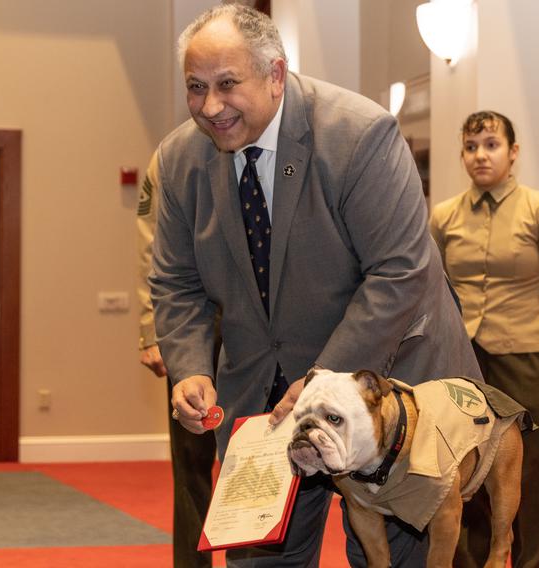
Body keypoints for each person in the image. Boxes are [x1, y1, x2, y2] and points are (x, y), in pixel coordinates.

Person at [149, 4, 482, 567]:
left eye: (228, 85)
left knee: (395, 560)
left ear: (275, 74)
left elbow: (399, 271)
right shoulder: (182, 159)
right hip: (262, 403)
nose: (211, 106)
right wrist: (191, 368)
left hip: (387, 385)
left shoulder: (359, 135)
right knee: (261, 561)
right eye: (196, 87)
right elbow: (176, 281)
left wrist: (319, 382)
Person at [429, 110, 539, 568]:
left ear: (513, 152)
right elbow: (431, 290)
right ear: (462, 154)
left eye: (492, 145)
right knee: (466, 472)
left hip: (525, 360)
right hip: (463, 364)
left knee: (531, 471)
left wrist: (534, 325)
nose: (481, 156)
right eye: (472, 147)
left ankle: (529, 562)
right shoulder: (444, 216)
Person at [137, 150, 216, 568]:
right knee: (191, 461)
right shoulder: (171, 157)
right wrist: (153, 331)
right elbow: (151, 244)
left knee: (262, 453)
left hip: (264, 326)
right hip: (193, 320)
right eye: (197, 87)